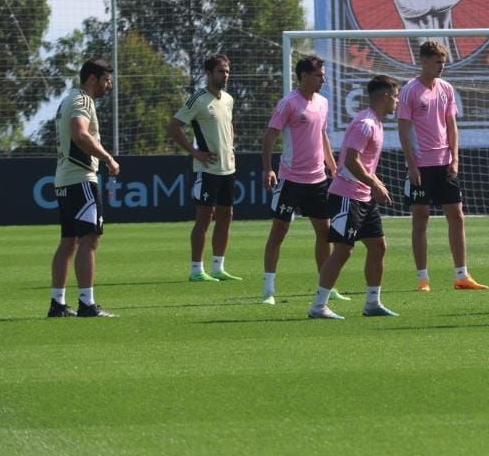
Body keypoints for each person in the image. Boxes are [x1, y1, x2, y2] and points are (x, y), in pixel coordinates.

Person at [397, 40, 487, 291]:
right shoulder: (410, 90)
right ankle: (423, 278)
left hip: (445, 163)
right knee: (420, 219)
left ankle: (462, 275)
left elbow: (451, 126)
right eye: (437, 61)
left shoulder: (446, 88)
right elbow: (403, 130)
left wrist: (455, 158)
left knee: (457, 217)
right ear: (423, 61)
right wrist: (411, 165)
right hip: (421, 166)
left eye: (443, 62)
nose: (441, 66)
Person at [310, 76, 400, 320]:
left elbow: (364, 163)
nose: (397, 101)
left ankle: (372, 303)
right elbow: (351, 159)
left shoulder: (376, 122)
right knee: (342, 251)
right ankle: (318, 306)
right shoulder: (365, 123)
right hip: (346, 195)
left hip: (364, 197)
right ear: (385, 96)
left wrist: (376, 184)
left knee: (378, 246)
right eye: (395, 96)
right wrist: (376, 185)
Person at [260, 54, 341, 305]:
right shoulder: (289, 103)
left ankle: (326, 286)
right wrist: (268, 169)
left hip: (317, 180)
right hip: (291, 179)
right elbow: (270, 137)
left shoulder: (323, 103)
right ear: (304, 76)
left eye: (324, 76)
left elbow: (323, 136)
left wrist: (333, 166)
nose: (323, 80)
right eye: (319, 75)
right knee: (279, 231)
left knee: (325, 232)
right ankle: (269, 290)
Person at [48, 58, 120, 318]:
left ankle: (57, 304)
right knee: (90, 239)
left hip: (64, 180)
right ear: (92, 79)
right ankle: (87, 304)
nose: (108, 85)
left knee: (68, 241)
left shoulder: (68, 99)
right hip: (80, 179)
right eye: (106, 80)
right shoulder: (82, 100)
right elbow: (80, 134)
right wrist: (108, 158)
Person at [167, 53, 240, 282]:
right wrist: (195, 152)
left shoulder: (228, 99)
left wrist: (231, 146)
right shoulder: (197, 99)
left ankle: (218, 267)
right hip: (206, 169)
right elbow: (174, 126)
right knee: (204, 217)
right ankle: (197, 270)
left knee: (226, 215)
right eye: (221, 71)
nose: (225, 75)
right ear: (209, 74)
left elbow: (227, 126)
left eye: (227, 71)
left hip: (227, 168)